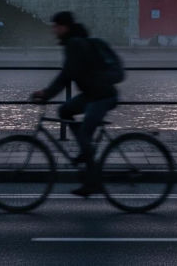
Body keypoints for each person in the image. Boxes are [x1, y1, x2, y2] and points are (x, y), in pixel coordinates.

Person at [31, 11, 118, 198]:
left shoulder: (74, 44)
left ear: (64, 27)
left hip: (102, 96)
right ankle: (86, 150)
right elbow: (68, 74)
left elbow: (66, 75)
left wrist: (46, 93)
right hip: (92, 95)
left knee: (86, 133)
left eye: (56, 26)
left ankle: (92, 181)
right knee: (64, 110)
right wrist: (48, 93)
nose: (53, 30)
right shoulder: (74, 42)